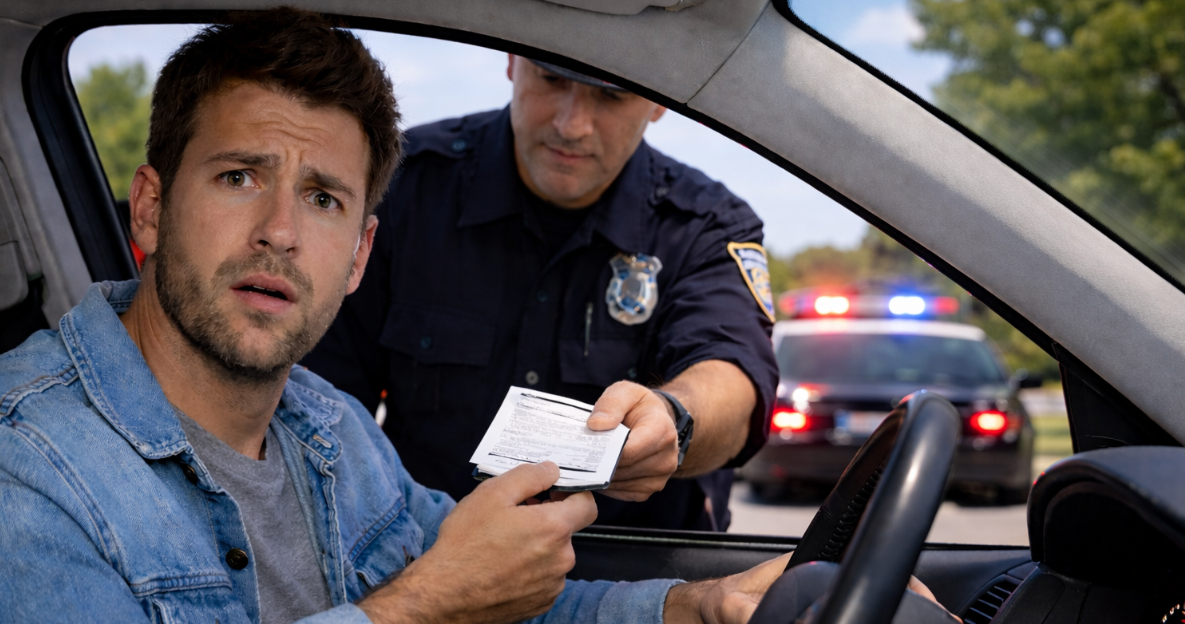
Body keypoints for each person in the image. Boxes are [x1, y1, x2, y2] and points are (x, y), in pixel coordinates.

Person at [0, 10, 788, 623]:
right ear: (150, 208)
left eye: (322, 199)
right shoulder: (27, 471)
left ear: (357, 255)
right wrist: (426, 606)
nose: (281, 231)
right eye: (239, 176)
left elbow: (505, 600)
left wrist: (695, 606)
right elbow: (456, 596)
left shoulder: (331, 432)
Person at [302, 51, 780, 532]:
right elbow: (320, 401)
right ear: (512, 62)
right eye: (551, 79)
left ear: (659, 102)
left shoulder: (703, 226)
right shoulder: (405, 187)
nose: (571, 124)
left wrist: (673, 418)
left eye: (612, 95)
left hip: (630, 575)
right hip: (427, 555)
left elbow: (734, 383)